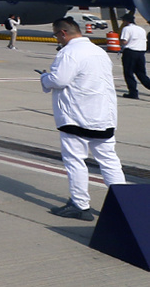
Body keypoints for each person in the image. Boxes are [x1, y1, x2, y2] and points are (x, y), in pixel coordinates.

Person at [40, 17, 126, 220]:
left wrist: (45, 77)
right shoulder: (99, 51)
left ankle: (80, 204)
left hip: (77, 117)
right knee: (109, 161)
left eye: (56, 36)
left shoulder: (69, 53)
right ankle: (124, 203)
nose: (57, 40)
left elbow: (59, 80)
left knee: (75, 160)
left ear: (63, 33)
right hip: (103, 115)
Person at [118, 12, 149, 99]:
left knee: (128, 73)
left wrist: (120, 42)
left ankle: (133, 92)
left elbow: (124, 41)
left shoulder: (126, 29)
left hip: (130, 52)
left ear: (126, 21)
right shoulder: (141, 29)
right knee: (141, 73)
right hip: (141, 53)